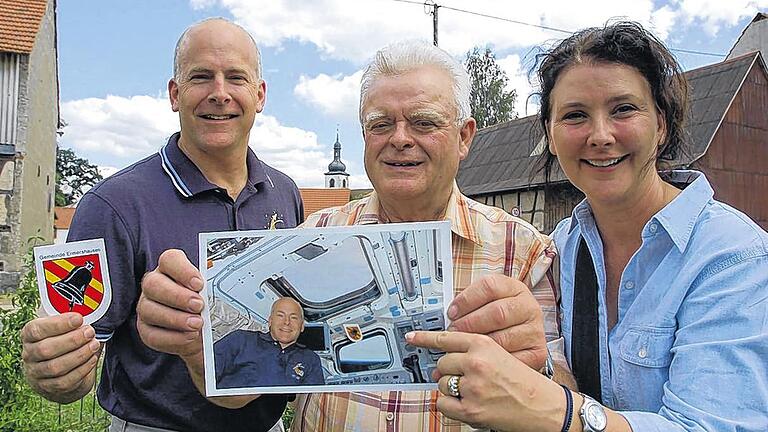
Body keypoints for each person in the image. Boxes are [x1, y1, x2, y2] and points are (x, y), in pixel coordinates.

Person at [140, 39, 571, 432]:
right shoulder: (313, 233)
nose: (399, 140)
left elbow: (562, 402)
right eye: (380, 124)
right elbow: (240, 393)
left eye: (423, 123)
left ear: (463, 137)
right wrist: (199, 353)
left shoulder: (524, 250)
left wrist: (537, 371)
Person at [409, 21, 768, 432]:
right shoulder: (557, 248)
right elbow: (555, 379)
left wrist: (555, 412)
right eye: (575, 115)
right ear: (550, 134)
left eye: (623, 109)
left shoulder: (735, 259)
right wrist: (530, 357)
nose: (600, 136)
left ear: (662, 124)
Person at [21, 18, 303, 432]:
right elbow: (73, 353)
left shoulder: (284, 192)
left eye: (236, 78)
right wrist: (56, 369)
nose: (220, 93)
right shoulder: (112, 204)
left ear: (259, 95)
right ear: (175, 94)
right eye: (201, 77)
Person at [215, 297, 324, 388]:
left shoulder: (311, 359)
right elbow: (205, 373)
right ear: (270, 321)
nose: (287, 322)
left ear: (302, 326)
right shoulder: (240, 339)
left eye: (294, 318)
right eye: (280, 315)